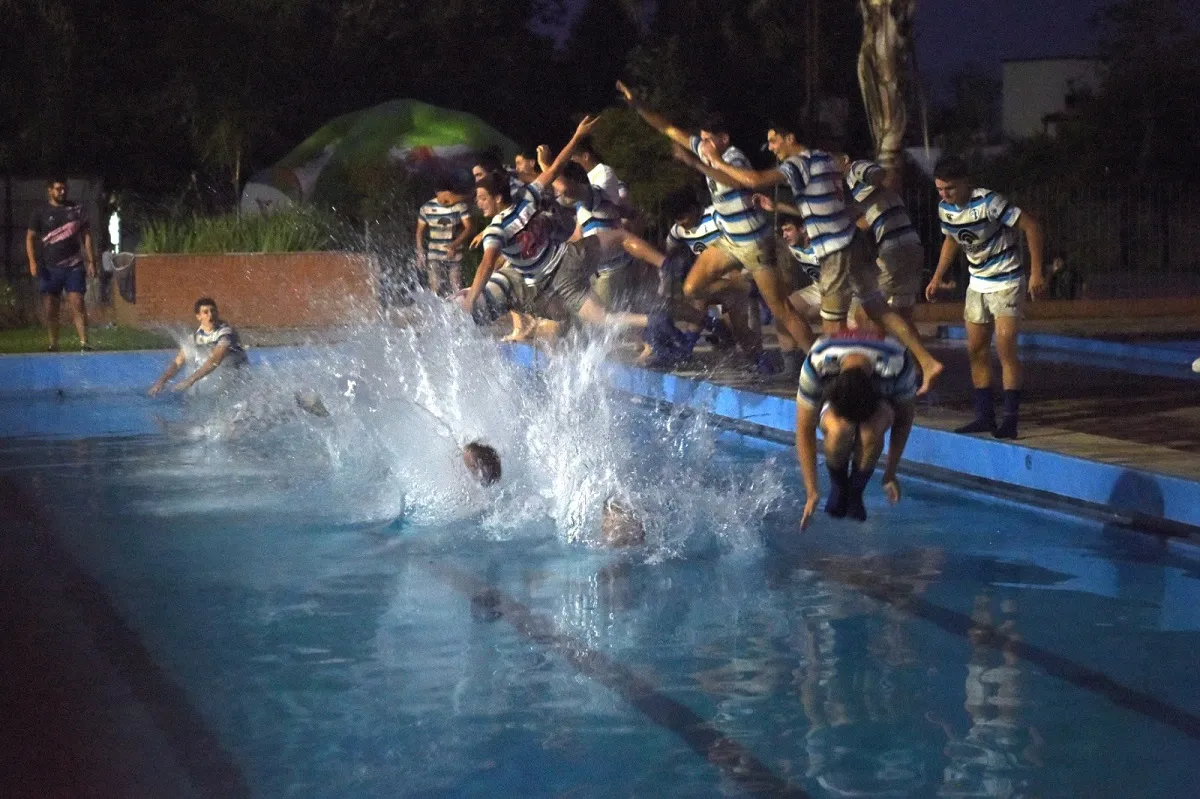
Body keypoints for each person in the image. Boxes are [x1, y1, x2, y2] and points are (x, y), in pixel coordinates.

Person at [679, 118, 944, 396]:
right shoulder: (824, 159)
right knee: (877, 306)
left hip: (834, 251)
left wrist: (712, 162)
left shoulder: (798, 163)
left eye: (774, 141)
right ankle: (927, 361)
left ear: (790, 137)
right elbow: (821, 206)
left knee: (832, 325)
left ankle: (839, 390)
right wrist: (778, 206)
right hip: (853, 241)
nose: (772, 148)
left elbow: (753, 180)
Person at [617, 81, 815, 371]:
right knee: (691, 287)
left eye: (708, 140)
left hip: (755, 244)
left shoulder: (734, 158)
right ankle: (740, 288)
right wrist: (639, 105)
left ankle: (819, 362)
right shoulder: (707, 151)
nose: (703, 144)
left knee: (782, 310)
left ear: (723, 139)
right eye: (702, 139)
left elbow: (733, 181)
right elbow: (668, 129)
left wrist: (697, 164)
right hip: (730, 241)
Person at [461, 115, 665, 334]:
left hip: (558, 281)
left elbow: (486, 265)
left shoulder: (495, 231)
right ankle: (666, 272)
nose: (478, 203)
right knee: (620, 237)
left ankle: (655, 320)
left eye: (482, 198)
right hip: (570, 257)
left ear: (498, 197)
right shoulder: (527, 198)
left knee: (604, 319)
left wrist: (471, 299)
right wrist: (577, 136)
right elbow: (555, 167)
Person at [925, 156, 1046, 439]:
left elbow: (1030, 226)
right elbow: (952, 239)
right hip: (977, 283)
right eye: (940, 189)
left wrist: (1036, 272)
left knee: (1005, 347)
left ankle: (1010, 419)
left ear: (966, 183)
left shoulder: (989, 202)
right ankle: (984, 416)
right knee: (976, 349)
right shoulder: (945, 209)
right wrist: (937, 276)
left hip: (1006, 280)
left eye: (950, 188)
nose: (944, 194)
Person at [795, 332, 918, 530]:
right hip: (841, 390)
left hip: (880, 398)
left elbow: (903, 421)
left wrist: (890, 473)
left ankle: (856, 490)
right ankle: (839, 485)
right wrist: (812, 491)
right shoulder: (818, 362)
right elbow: (804, 428)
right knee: (839, 429)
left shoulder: (898, 363)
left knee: (871, 431)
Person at [26, 177, 97, 351]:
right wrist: (32, 262)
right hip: (50, 267)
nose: (62, 192)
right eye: (58, 189)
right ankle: (53, 343)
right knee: (51, 307)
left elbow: (86, 236)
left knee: (77, 302)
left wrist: (91, 261)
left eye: (65, 189)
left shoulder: (76, 209)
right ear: (50, 190)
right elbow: (30, 238)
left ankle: (84, 343)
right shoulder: (40, 212)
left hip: (74, 266)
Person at [148, 297, 249, 395]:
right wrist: (161, 382)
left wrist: (190, 380)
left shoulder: (226, 333)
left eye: (213, 311)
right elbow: (177, 363)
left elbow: (215, 360)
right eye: (206, 312)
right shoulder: (194, 338)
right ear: (198, 316)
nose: (210, 314)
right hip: (221, 379)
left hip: (238, 381)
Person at [416, 182, 475, 296]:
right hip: (434, 253)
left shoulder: (459, 206)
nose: (446, 199)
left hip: (454, 253)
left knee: (456, 286)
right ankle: (435, 305)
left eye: (448, 194)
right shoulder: (427, 207)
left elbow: (469, 228)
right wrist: (420, 251)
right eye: (443, 195)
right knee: (435, 287)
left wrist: (454, 244)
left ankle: (458, 306)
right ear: (437, 192)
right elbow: (419, 231)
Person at [569, 136, 629, 208]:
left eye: (574, 159)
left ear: (585, 156)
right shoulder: (592, 176)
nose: (573, 163)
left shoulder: (604, 174)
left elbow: (598, 202)